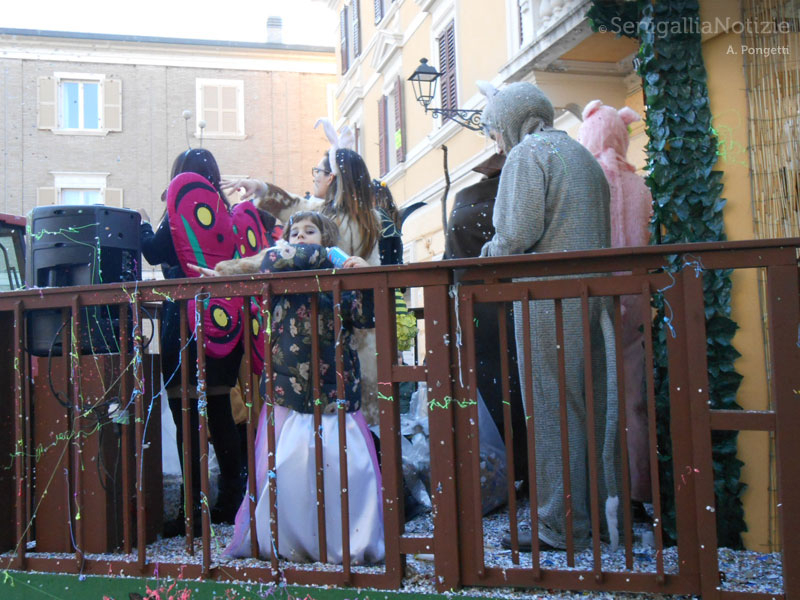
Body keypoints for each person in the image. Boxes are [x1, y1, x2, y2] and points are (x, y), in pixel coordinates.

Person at [193, 211, 385, 564]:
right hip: (290, 389)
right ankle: (289, 539)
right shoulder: (278, 274)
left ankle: (346, 539)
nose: (298, 238)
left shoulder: (333, 271)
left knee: (339, 466)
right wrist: (227, 274)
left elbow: (364, 316)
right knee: (289, 467)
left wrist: (361, 277)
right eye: (293, 233)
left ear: (326, 239)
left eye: (309, 232)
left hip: (333, 392)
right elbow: (275, 264)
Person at [478, 82, 620, 551]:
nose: (496, 142)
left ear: (513, 122)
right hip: (595, 299)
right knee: (591, 408)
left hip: (547, 304)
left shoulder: (527, 155)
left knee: (551, 409)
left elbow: (515, 233)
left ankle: (558, 527)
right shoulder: (581, 156)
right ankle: (595, 519)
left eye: (495, 130)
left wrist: (483, 258)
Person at [217, 123, 383, 426]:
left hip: (323, 331)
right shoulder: (365, 218)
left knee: (323, 418)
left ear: (334, 178)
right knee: (359, 416)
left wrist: (231, 268)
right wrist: (263, 189)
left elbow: (288, 246)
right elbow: (296, 206)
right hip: (358, 332)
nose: (314, 178)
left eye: (318, 172)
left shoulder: (334, 221)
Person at [139, 148, 245, 536]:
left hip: (183, 326)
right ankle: (234, 498)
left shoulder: (181, 211)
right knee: (218, 409)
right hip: (225, 324)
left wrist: (145, 224)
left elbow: (154, 252)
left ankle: (193, 508)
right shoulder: (227, 212)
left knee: (186, 415)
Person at [578, 100, 653, 521]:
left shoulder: (590, 182)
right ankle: (638, 490)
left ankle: (603, 488)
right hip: (638, 299)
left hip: (597, 297)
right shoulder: (639, 185)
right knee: (633, 398)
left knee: (594, 394)